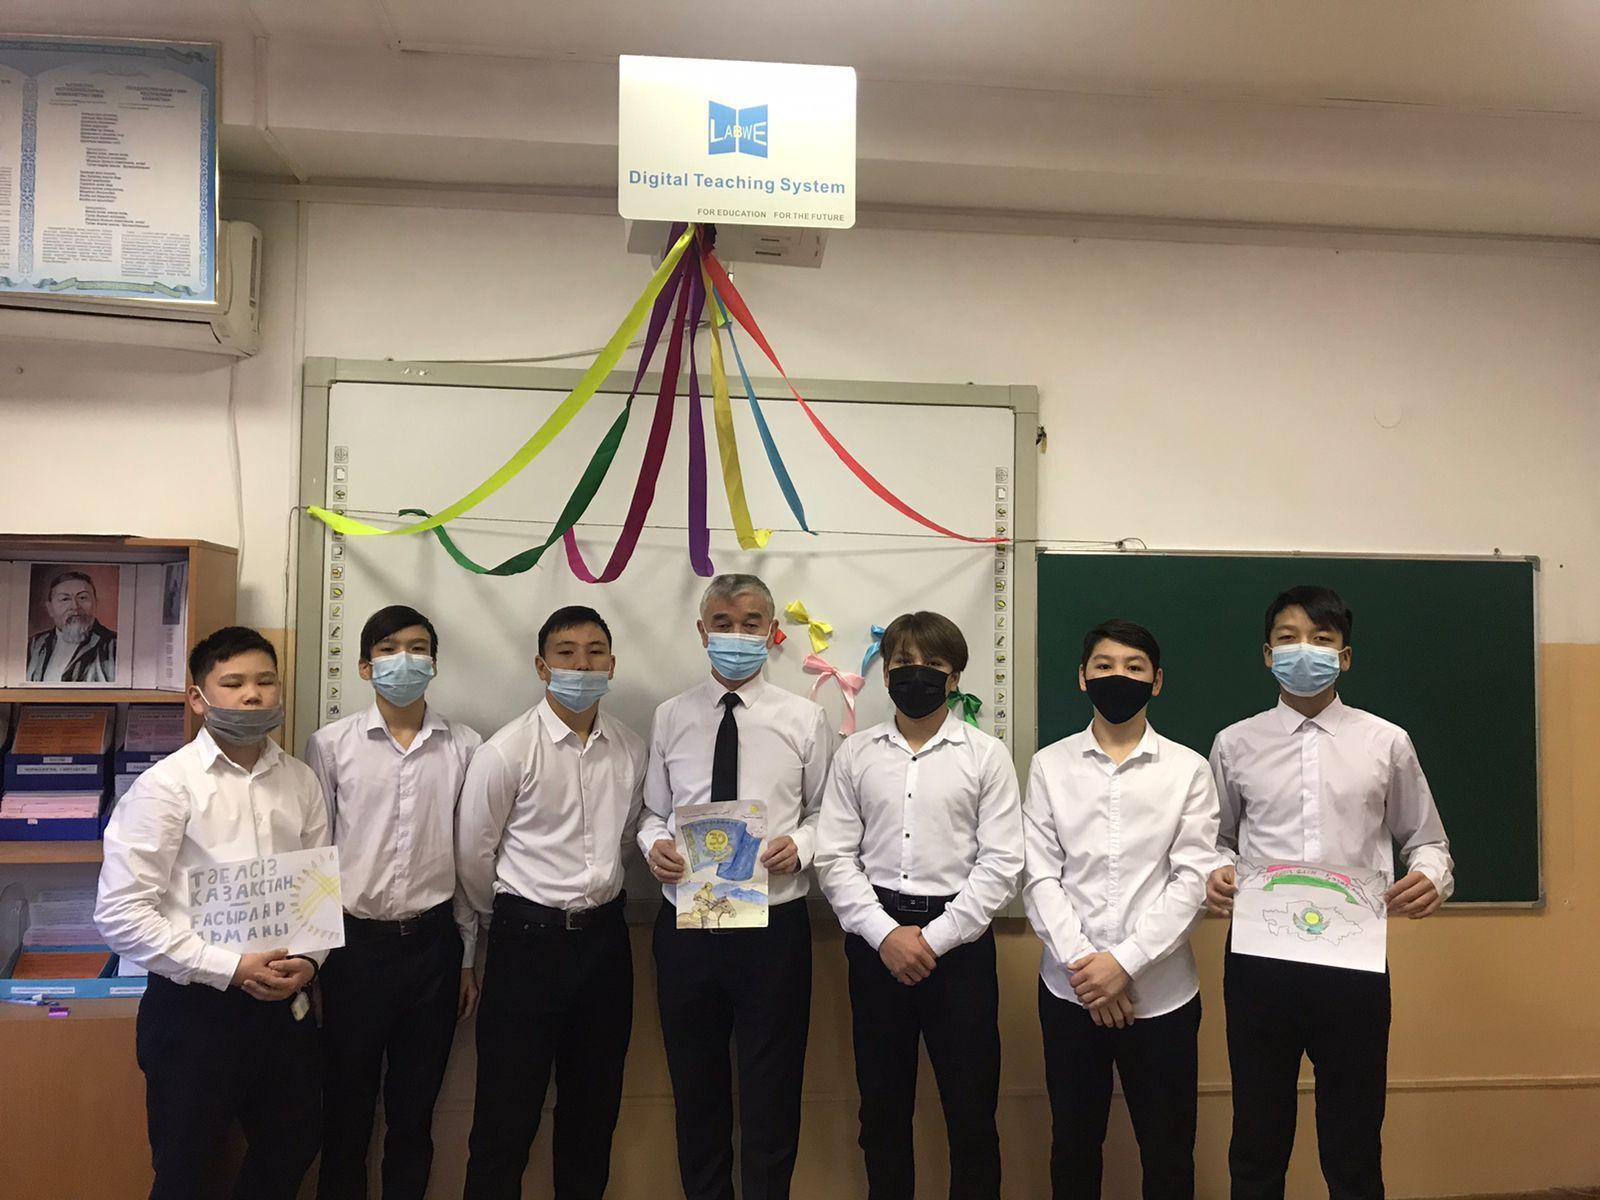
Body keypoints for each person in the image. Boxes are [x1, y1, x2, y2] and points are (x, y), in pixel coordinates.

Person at [1206, 586, 1453, 1200]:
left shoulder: (1386, 741)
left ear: (1344, 656)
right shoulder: (1235, 743)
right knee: (1258, 1131)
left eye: (1321, 639)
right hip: (1260, 958)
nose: (1304, 650)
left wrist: (1431, 875)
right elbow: (1217, 840)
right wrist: (1216, 870)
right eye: (1288, 638)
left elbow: (1426, 839)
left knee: (1354, 1135)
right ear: (1268, 654)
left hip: (1354, 960)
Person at [94, 626, 327, 1200]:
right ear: (198, 698)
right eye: (234, 683)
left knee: (291, 1150)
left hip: (284, 1003)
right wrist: (230, 967)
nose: (253, 695)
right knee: (186, 1170)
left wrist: (310, 959)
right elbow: (121, 913)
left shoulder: (300, 780)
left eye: (265, 681)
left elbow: (317, 888)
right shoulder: (166, 787)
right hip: (195, 1011)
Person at [815, 611, 1022, 1200]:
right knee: (881, 1112)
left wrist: (931, 939)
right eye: (903, 662)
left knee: (972, 1113)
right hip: (875, 943)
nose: (916, 674)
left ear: (954, 677)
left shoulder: (986, 756)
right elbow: (834, 857)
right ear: (885, 674)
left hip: (959, 947)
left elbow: (1002, 863)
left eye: (933, 664)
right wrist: (886, 935)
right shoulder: (855, 754)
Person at [642, 573, 834, 1200]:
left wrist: (801, 846)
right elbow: (651, 813)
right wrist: (654, 846)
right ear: (703, 632)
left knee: (772, 1089)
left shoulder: (804, 718)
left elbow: (826, 813)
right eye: (723, 624)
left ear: (771, 632)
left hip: (773, 928)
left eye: (751, 624)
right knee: (696, 1088)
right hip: (687, 926)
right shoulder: (671, 716)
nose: (736, 635)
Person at [1022, 619, 1219, 1200]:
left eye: (1135, 667)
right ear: (1082, 677)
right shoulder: (1049, 765)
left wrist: (1123, 964)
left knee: (1169, 1153)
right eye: (1104, 665)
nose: (1119, 677)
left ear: (1156, 681)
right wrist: (1089, 970)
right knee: (1073, 1148)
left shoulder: (1189, 769)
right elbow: (1039, 875)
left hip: (1161, 996)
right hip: (1069, 991)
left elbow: (1192, 879)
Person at [455, 605, 646, 1200]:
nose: (581, 665)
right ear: (542, 666)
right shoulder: (507, 750)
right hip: (526, 945)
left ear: (612, 664)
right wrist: (519, 919)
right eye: (566, 653)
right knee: (505, 1118)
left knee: (594, 1114)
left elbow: (625, 839)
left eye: (595, 652)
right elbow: (474, 855)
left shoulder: (631, 748)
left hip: (606, 944)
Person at [304, 604, 482, 1200]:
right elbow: (317, 854)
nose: (403, 659)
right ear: (365, 666)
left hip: (432, 947)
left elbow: (467, 859)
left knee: (414, 1113)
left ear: (434, 663)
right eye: (387, 649)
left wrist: (465, 959)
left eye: (417, 647)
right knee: (345, 1108)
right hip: (354, 949)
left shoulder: (466, 746)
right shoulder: (330, 746)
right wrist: (315, 961)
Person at [27, 567, 117, 681]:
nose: (75, 606)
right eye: (65, 599)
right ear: (50, 609)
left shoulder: (114, 646)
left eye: (83, 597)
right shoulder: (35, 645)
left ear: (96, 604)